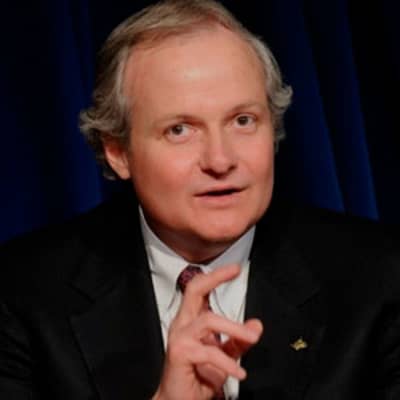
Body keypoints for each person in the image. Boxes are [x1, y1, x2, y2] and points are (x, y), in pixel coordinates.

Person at [0, 1, 399, 399]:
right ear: (118, 151)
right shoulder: (21, 295)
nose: (220, 160)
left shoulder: (381, 278)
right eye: (180, 130)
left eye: (242, 121)